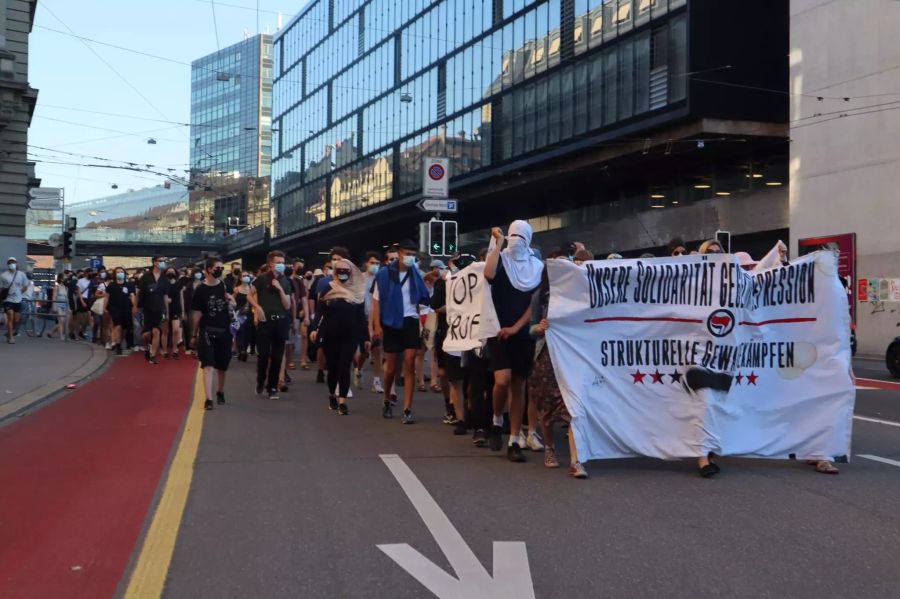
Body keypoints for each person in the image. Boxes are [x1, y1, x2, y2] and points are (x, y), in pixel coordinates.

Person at [484, 221, 544, 463]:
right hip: (498, 329)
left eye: (521, 235)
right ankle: (497, 418)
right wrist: (497, 244)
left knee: (519, 385)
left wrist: (518, 327)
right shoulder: (502, 260)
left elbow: (534, 304)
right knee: (502, 380)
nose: (516, 240)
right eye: (512, 235)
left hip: (522, 331)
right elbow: (487, 274)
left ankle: (514, 439)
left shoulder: (537, 267)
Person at [529, 267, 588, 478]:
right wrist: (539, 327)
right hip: (546, 357)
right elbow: (530, 328)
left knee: (573, 406)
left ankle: (576, 460)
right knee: (547, 407)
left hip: (570, 357)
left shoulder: (578, 296)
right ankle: (549, 449)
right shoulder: (540, 296)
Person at [372, 239, 431, 423]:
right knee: (390, 368)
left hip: (411, 321)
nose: (410, 258)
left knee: (409, 362)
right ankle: (387, 399)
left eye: (413, 255)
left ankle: (407, 408)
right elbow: (376, 300)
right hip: (391, 321)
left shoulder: (416, 274)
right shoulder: (384, 275)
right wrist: (376, 325)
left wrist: (424, 325)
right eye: (407, 254)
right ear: (399, 254)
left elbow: (423, 300)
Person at [311, 258, 369, 415]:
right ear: (334, 273)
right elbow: (319, 312)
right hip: (330, 334)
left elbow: (361, 317)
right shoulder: (328, 289)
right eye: (339, 271)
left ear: (351, 272)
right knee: (333, 368)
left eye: (346, 271)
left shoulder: (357, 291)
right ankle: (332, 395)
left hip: (350, 335)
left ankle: (343, 401)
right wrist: (314, 328)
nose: (342, 273)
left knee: (345, 366)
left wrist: (366, 337)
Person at [191, 257, 235, 411]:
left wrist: (232, 302)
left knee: (222, 365)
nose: (220, 270)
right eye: (218, 267)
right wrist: (194, 334)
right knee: (208, 365)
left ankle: (220, 391)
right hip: (207, 331)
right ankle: (208, 399)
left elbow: (233, 305)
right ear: (209, 269)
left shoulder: (225, 285)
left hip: (224, 330)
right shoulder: (200, 290)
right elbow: (197, 313)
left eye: (221, 268)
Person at [248, 250, 292, 399]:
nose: (281, 265)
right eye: (278, 263)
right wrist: (257, 307)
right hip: (265, 322)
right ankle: (261, 380)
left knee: (277, 356)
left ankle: (272, 387)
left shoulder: (286, 282)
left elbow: (287, 305)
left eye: (282, 263)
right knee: (264, 354)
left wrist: (280, 289)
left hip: (281, 322)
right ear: (270, 265)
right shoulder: (261, 279)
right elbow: (249, 295)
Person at [357, 250, 383, 392]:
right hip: (362, 319)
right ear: (366, 264)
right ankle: (358, 369)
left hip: (375, 319)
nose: (375, 266)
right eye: (372, 263)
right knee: (364, 352)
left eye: (377, 263)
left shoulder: (381, 278)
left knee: (377, 350)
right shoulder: (359, 279)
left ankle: (376, 381)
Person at [138, 256, 171, 364]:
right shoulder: (145, 277)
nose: (162, 263)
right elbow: (139, 292)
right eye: (160, 261)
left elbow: (165, 296)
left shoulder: (165, 278)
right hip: (147, 308)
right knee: (146, 334)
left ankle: (152, 355)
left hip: (159, 308)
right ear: (154, 262)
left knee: (156, 331)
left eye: (163, 261)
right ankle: (148, 346)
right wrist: (137, 307)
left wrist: (167, 311)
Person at [105, 267, 134, 356]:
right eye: (118, 272)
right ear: (115, 274)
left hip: (126, 309)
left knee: (124, 328)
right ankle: (118, 346)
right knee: (117, 326)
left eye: (121, 272)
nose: (120, 273)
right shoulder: (111, 285)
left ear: (124, 274)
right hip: (114, 308)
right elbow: (107, 297)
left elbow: (132, 295)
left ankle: (117, 342)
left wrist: (134, 305)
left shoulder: (129, 285)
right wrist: (104, 308)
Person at [1, 257, 28, 343]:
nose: (11, 264)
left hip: (18, 299)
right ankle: (11, 338)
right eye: (10, 262)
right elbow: (1, 288)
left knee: (16, 319)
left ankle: (10, 333)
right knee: (10, 316)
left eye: (13, 262)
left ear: (16, 263)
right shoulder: (3, 275)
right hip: (8, 299)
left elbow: (25, 286)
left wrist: (20, 292)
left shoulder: (21, 274)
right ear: (8, 264)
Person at [164, 266, 185, 359]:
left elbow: (181, 298)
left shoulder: (178, 284)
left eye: (172, 272)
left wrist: (183, 311)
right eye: (169, 272)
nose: (171, 273)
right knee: (165, 331)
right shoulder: (163, 284)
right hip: (164, 309)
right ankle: (164, 350)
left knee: (176, 330)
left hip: (176, 309)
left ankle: (175, 349)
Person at [234, 271, 253, 361]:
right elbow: (232, 301)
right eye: (244, 276)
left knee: (248, 333)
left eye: (247, 275)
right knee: (240, 333)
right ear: (240, 278)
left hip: (250, 314)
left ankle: (245, 349)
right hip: (239, 315)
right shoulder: (236, 289)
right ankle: (241, 350)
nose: (246, 277)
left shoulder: (252, 289)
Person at [47, 272, 69, 340]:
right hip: (58, 305)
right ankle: (61, 336)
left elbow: (67, 298)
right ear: (61, 279)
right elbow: (54, 297)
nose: (66, 279)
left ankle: (51, 332)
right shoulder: (56, 287)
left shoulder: (66, 288)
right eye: (65, 278)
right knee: (61, 320)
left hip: (65, 305)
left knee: (63, 321)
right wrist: (54, 306)